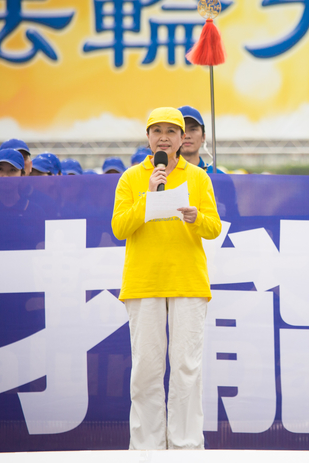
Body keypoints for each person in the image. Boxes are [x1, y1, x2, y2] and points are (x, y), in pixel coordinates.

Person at [112, 107, 221, 450]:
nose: (163, 137)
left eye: (171, 131)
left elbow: (214, 227)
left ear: (181, 138)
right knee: (146, 369)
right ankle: (147, 448)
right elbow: (119, 228)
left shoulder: (198, 177)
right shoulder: (131, 178)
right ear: (148, 137)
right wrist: (148, 196)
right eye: (156, 131)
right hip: (144, 282)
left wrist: (196, 217)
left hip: (187, 281)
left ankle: (186, 447)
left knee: (187, 368)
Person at [177, 106, 224, 174]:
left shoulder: (219, 176)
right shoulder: (163, 175)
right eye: (182, 130)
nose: (187, 136)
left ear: (203, 136)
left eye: (193, 129)